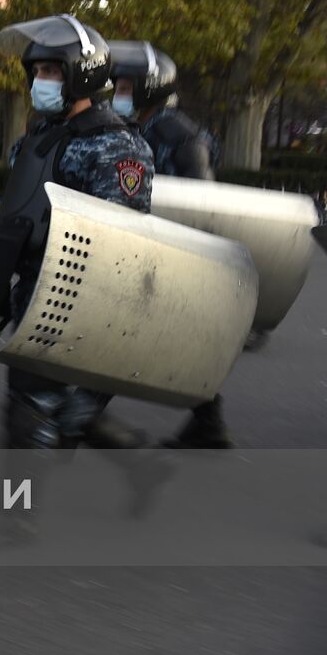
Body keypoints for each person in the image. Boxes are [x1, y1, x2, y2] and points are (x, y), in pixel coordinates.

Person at [0, 15, 155, 453]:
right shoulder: (39, 138)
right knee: (61, 411)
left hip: (75, 298)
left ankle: (15, 521)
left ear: (82, 74)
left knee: (32, 408)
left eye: (52, 71)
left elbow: (121, 243)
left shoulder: (115, 145)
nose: (42, 81)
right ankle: (141, 462)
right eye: (38, 72)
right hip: (34, 291)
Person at [111, 42, 231, 448]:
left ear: (148, 88)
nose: (117, 92)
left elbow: (196, 200)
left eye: (125, 85)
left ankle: (76, 420)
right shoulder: (146, 127)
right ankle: (208, 424)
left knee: (114, 333)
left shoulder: (175, 134)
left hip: (165, 249)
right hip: (153, 246)